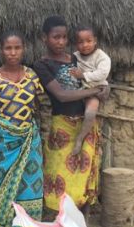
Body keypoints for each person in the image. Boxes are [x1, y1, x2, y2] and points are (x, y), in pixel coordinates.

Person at [32, 16, 104, 213]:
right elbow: (61, 95)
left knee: (85, 174)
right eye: (56, 37)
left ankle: (83, 223)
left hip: (84, 125)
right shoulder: (41, 65)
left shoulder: (74, 59)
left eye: (64, 37)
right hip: (61, 126)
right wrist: (94, 91)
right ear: (44, 38)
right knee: (58, 175)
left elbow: (91, 80)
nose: (61, 42)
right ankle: (60, 220)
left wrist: (101, 89)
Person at [0, 31, 46, 227]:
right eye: (8, 48)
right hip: (2, 143)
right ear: (1, 50)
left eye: (17, 48)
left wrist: (41, 137)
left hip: (30, 141)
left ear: (23, 49)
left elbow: (39, 108)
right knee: (0, 187)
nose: (13, 52)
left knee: (31, 186)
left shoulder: (32, 76)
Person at [70, 26, 111, 155]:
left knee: (90, 112)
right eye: (80, 42)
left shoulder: (102, 57)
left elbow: (102, 74)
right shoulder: (74, 56)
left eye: (88, 41)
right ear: (76, 44)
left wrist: (83, 75)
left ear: (95, 41)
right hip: (79, 89)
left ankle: (80, 138)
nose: (85, 45)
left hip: (96, 90)